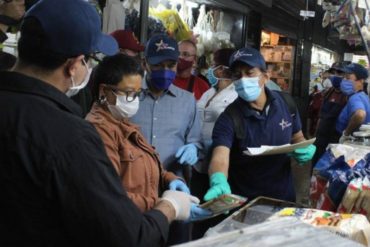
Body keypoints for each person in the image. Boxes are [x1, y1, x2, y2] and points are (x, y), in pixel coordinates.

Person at [0, 1, 201, 246]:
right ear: (74, 65)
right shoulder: (71, 136)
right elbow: (128, 237)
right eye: (89, 60)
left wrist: (169, 178)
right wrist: (168, 206)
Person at [86, 54, 208, 215]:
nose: (135, 101)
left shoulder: (124, 123)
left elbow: (147, 161)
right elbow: (110, 195)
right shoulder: (99, 131)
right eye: (129, 93)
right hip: (127, 222)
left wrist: (170, 179)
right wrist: (168, 206)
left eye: (137, 94)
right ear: (104, 91)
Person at [204, 47, 316, 205]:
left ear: (266, 76)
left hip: (283, 198)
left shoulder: (287, 104)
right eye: (237, 75)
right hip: (246, 203)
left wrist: (303, 148)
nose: (243, 80)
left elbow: (297, 136)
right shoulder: (229, 117)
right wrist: (218, 179)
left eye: (249, 73)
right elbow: (220, 156)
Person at [130, 33, 203, 245]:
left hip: (174, 190)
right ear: (144, 63)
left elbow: (197, 141)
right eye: (157, 65)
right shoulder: (129, 96)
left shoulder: (187, 101)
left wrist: (194, 149)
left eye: (171, 65)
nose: (165, 71)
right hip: (134, 192)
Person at [191, 48, 238, 240]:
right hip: (198, 160)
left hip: (220, 158)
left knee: (217, 215)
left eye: (213, 66)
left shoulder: (235, 94)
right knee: (199, 210)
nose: (210, 70)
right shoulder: (209, 91)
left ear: (220, 70)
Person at [312, 63, 347, 165]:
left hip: (335, 139)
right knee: (316, 167)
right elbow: (321, 116)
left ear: (346, 75)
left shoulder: (347, 96)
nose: (335, 75)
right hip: (321, 138)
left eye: (339, 72)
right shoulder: (328, 93)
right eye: (333, 72)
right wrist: (315, 135)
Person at [336, 63, 370, 143]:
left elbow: (360, 115)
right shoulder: (363, 96)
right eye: (344, 77)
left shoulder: (355, 98)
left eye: (348, 77)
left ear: (361, 81)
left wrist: (346, 134)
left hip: (350, 141)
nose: (344, 80)